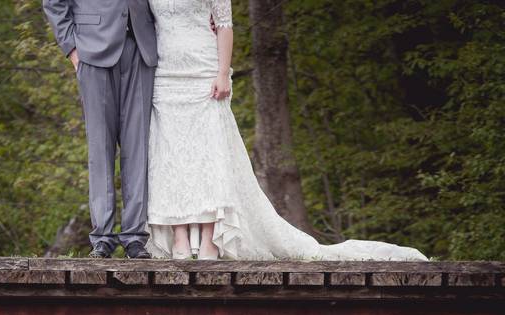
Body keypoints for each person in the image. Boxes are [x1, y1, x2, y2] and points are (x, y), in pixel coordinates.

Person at [144, 0, 429, 261]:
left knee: (209, 155)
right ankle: (178, 236)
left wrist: (222, 73)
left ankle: (209, 238)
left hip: (204, 71)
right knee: (172, 156)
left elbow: (224, 25)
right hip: (164, 74)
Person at [42, 0, 158, 259]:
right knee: (100, 148)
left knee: (138, 148)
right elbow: (53, 3)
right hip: (92, 48)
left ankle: (135, 236)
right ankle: (103, 237)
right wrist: (71, 48)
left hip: (142, 47)